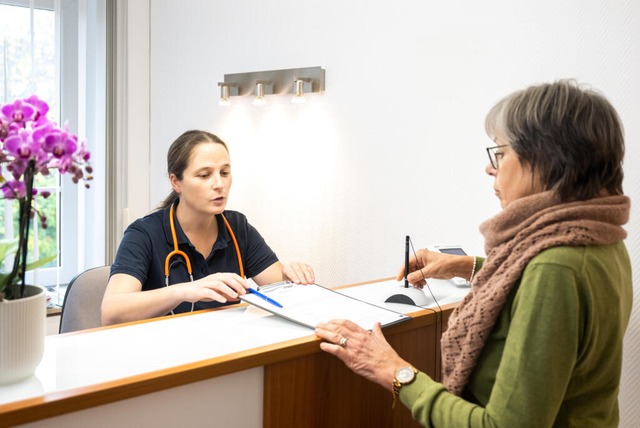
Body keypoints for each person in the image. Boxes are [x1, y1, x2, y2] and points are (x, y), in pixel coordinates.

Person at [314, 80, 632, 427]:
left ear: (545, 159)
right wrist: (465, 266)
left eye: (501, 152)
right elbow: (531, 291)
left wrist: (393, 370)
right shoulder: (599, 238)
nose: (490, 168)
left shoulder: (555, 267)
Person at [102, 130, 315, 325]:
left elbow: (281, 289)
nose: (219, 184)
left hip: (222, 350)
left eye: (224, 173)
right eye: (204, 175)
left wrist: (292, 277)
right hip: (163, 355)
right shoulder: (144, 234)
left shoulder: (237, 227)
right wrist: (184, 291)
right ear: (176, 182)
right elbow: (111, 312)